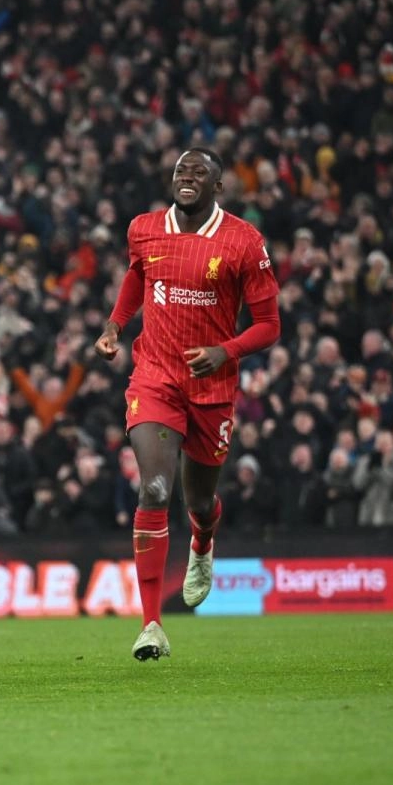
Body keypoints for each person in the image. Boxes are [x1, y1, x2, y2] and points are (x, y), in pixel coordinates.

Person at [95, 147, 281, 661]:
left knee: (198, 500)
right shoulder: (144, 228)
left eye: (200, 172)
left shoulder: (245, 242)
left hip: (212, 388)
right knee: (154, 487)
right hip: (155, 377)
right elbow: (137, 275)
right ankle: (152, 623)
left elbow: (270, 326)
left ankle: (202, 540)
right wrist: (115, 325)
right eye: (181, 170)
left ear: (218, 187)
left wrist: (227, 350)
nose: (188, 177)